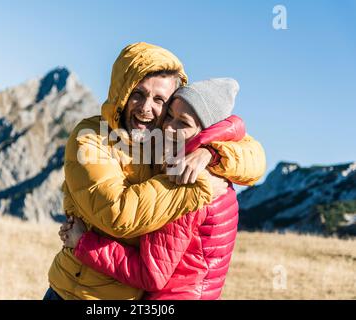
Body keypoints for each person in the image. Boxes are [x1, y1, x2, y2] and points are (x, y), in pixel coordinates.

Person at [45, 42, 266, 300]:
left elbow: (254, 156)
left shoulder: (165, 139)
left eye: (159, 99)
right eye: (137, 93)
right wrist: (200, 185)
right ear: (121, 92)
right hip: (77, 293)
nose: (146, 107)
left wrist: (212, 154)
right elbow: (117, 214)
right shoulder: (92, 138)